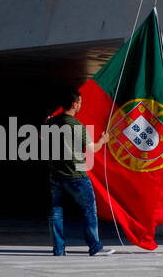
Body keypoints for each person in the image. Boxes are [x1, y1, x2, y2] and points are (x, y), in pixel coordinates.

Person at [47, 89, 116, 256]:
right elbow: (92, 149)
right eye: (80, 103)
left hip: (56, 175)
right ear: (74, 104)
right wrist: (102, 140)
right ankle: (94, 246)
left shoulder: (52, 122)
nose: (81, 105)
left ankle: (59, 248)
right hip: (76, 175)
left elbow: (42, 137)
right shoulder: (76, 125)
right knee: (89, 207)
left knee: (56, 210)